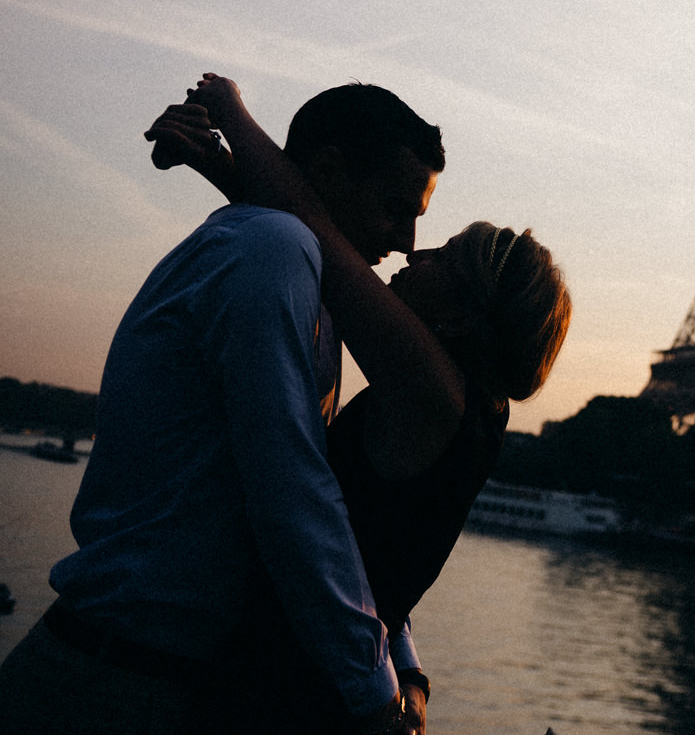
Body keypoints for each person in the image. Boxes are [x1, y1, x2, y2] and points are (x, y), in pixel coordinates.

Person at [0, 82, 445, 735]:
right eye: (394, 206)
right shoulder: (272, 251)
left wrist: (397, 659)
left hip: (134, 671)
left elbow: (320, 499)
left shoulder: (295, 269)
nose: (407, 240)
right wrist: (376, 688)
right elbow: (292, 485)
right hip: (116, 688)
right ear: (325, 171)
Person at [170, 74, 571, 732]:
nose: (414, 251)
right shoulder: (469, 411)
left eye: (441, 255)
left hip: (283, 694)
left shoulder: (430, 392)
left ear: (462, 318)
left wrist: (228, 111)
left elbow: (315, 233)